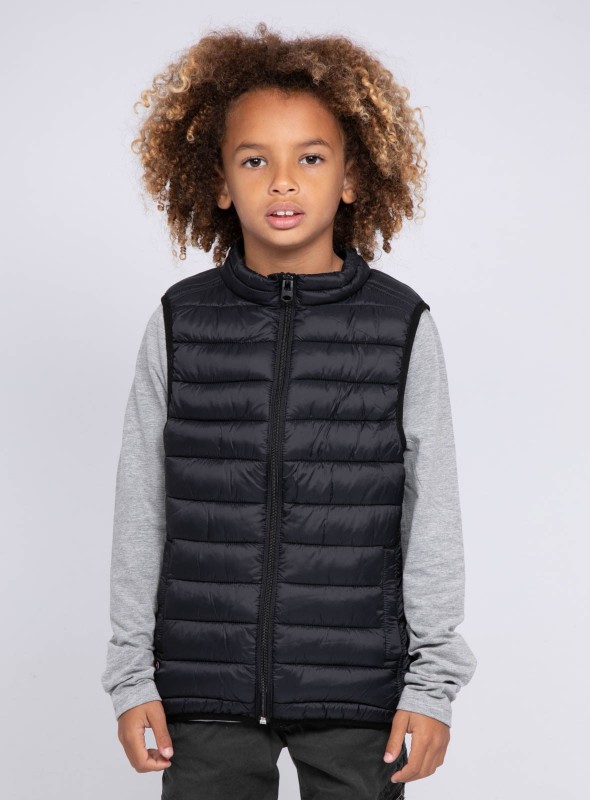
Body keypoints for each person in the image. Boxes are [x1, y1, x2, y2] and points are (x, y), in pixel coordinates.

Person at [101, 21, 477, 799]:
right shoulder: (180, 320)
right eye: (254, 160)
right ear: (218, 182)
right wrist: (131, 676)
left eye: (309, 158)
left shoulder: (400, 324)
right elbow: (142, 501)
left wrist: (432, 685)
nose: (282, 182)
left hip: (359, 690)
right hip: (204, 690)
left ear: (350, 176)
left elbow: (431, 509)